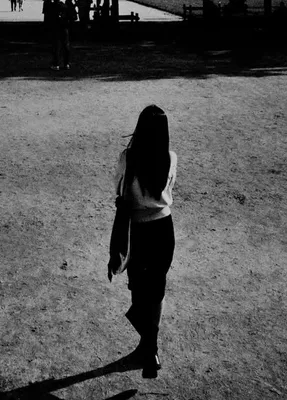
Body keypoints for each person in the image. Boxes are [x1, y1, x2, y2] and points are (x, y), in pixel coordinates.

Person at [110, 105, 177, 379]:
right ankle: (151, 346)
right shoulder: (171, 157)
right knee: (157, 289)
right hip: (164, 228)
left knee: (138, 289)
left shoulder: (128, 158)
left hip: (137, 230)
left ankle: (148, 347)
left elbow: (118, 189)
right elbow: (169, 189)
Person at [50, 0, 75, 70]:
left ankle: (56, 64)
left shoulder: (52, 6)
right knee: (66, 46)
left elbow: (50, 18)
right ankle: (66, 63)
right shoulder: (64, 6)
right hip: (64, 28)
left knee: (56, 47)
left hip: (56, 28)